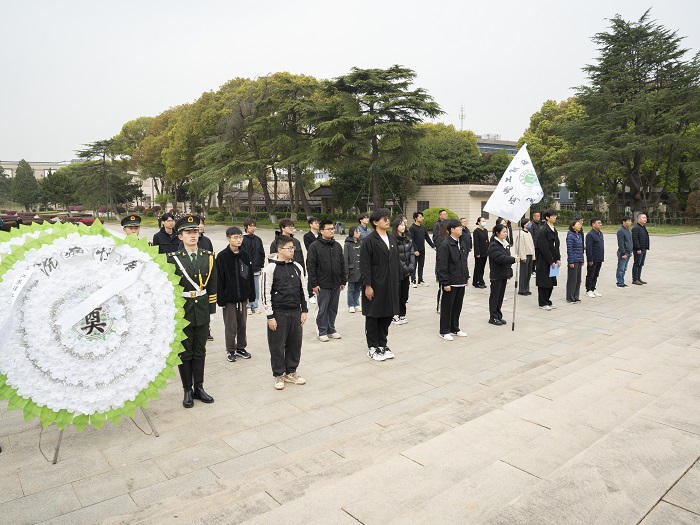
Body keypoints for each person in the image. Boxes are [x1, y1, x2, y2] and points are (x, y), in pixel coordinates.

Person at [168, 215, 217, 408]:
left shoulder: (208, 256)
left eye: (195, 231)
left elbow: (212, 284)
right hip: (183, 309)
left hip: (202, 309)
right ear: (180, 236)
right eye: (188, 232)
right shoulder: (173, 259)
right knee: (185, 352)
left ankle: (200, 387)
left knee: (200, 350)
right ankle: (187, 389)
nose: (193, 235)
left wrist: (211, 309)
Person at [262, 235, 308, 390]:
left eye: (293, 248)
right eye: (289, 248)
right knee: (277, 345)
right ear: (280, 250)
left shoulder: (297, 267)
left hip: (295, 311)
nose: (292, 251)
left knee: (295, 343)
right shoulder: (270, 269)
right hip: (278, 313)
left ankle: (291, 372)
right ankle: (278, 374)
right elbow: (265, 294)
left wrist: (304, 310)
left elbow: (302, 289)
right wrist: (270, 316)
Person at [361, 208, 400, 361]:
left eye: (388, 218)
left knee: (387, 314)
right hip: (376, 284)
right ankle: (372, 347)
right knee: (373, 315)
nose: (388, 220)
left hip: (390, 284)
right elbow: (365, 265)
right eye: (384, 219)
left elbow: (395, 262)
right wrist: (368, 285)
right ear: (375, 222)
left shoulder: (391, 239)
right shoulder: (369, 241)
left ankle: (382, 344)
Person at [216, 226, 255, 363]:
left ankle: (241, 347)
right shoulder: (222, 256)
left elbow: (249, 276)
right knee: (230, 325)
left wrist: (251, 295)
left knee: (242, 324)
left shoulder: (244, 255)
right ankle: (231, 349)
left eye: (240, 237)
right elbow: (219, 279)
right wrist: (221, 299)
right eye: (235, 237)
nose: (239, 240)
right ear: (228, 239)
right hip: (229, 298)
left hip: (243, 297)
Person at [306, 219, 346, 342]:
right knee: (322, 309)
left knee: (333, 308)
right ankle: (322, 331)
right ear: (321, 231)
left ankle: (331, 329)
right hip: (322, 284)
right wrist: (314, 284)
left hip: (336, 283)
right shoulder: (315, 246)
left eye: (332, 229)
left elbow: (342, 263)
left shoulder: (337, 246)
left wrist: (343, 280)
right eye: (329, 229)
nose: (331, 231)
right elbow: (311, 266)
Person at [437, 219, 469, 339]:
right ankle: (444, 331)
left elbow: (464, 261)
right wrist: (445, 282)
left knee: (457, 306)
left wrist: (466, 276)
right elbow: (442, 265)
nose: (461, 229)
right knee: (447, 307)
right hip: (450, 282)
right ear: (452, 230)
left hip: (461, 280)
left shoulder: (461, 243)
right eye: (458, 227)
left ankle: (454, 328)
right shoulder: (445, 245)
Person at [487, 223, 520, 325]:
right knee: (495, 296)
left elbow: (506, 259)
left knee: (500, 297)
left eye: (506, 232)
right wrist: (513, 259)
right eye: (504, 232)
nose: (506, 234)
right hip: (497, 274)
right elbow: (500, 258)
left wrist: (509, 271)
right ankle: (493, 317)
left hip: (503, 274)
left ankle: (498, 315)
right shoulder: (493, 245)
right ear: (497, 233)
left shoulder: (505, 244)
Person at [535, 209, 561, 311]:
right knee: (544, 282)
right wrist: (551, 261)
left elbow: (557, 246)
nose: (554, 218)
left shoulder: (554, 230)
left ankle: (548, 300)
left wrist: (558, 258)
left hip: (553, 260)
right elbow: (544, 248)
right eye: (552, 216)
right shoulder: (543, 231)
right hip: (544, 261)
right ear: (547, 217)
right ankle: (542, 302)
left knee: (551, 282)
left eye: (555, 216)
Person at [392, 218, 415, 325]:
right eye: (401, 225)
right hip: (397, 272)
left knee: (404, 294)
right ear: (396, 227)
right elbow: (395, 256)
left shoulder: (407, 239)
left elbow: (412, 253)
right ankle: (395, 314)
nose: (403, 226)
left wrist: (411, 267)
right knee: (397, 293)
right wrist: (405, 268)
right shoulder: (392, 240)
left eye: (404, 225)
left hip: (407, 271)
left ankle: (402, 314)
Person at [242, 218, 266, 315]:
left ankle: (255, 306)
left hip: (256, 268)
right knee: (247, 287)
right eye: (251, 226)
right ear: (246, 227)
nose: (253, 228)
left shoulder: (258, 239)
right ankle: (248, 306)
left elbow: (262, 253)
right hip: (245, 269)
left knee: (256, 288)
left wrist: (261, 265)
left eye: (254, 226)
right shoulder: (242, 239)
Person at [409, 211, 435, 288]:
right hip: (415, 250)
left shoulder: (423, 227)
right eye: (420, 217)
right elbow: (411, 240)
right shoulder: (412, 228)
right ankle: (413, 281)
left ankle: (420, 280)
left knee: (421, 265)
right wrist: (415, 250)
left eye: (422, 217)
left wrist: (433, 246)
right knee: (414, 265)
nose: (421, 218)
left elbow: (427, 238)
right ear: (415, 218)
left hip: (422, 249)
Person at [513, 217, 535, 296]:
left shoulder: (529, 233)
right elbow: (520, 246)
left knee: (528, 273)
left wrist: (533, 256)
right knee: (523, 273)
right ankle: (522, 289)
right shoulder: (521, 234)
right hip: (525, 256)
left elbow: (532, 245)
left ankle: (526, 288)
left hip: (530, 254)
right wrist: (523, 256)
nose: (529, 224)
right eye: (528, 223)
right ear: (524, 224)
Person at [565, 219, 584, 303]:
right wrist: (571, 261)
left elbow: (581, 249)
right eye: (578, 224)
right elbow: (569, 249)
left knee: (578, 279)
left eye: (580, 224)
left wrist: (582, 259)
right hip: (574, 260)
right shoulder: (570, 236)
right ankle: (570, 297)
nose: (580, 226)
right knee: (572, 279)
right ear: (573, 226)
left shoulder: (579, 235)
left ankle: (576, 296)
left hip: (579, 259)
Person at [344, 226, 362, 313]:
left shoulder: (360, 243)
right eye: (357, 231)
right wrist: (346, 272)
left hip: (360, 270)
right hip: (351, 270)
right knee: (351, 289)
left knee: (358, 288)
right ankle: (351, 305)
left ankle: (356, 304)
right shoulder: (347, 244)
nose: (359, 233)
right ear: (352, 232)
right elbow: (345, 258)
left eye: (359, 231)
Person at [585, 217, 604, 298]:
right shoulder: (590, 235)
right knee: (590, 275)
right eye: (598, 223)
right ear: (593, 224)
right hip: (593, 258)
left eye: (601, 223)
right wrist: (590, 259)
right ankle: (588, 290)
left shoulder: (600, 233)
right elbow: (588, 248)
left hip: (599, 258)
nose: (600, 224)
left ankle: (593, 288)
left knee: (596, 275)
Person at [433, 220, 449, 313]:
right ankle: (439, 307)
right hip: (442, 266)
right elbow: (441, 254)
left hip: (450, 269)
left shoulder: (449, 238)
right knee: (442, 288)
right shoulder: (440, 238)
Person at [303, 217, 321, 303]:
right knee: (311, 276)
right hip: (312, 258)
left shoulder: (321, 234)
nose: (317, 224)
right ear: (310, 224)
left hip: (322, 259)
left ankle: (319, 292)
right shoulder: (307, 236)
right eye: (315, 223)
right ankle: (311, 294)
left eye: (318, 223)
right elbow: (309, 247)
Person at [632, 213, 650, 285]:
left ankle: (638, 278)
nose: (645, 219)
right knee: (637, 264)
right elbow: (635, 239)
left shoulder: (643, 227)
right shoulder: (636, 228)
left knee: (641, 264)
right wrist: (638, 248)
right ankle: (635, 279)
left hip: (644, 249)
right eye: (643, 218)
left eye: (645, 218)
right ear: (638, 219)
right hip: (638, 250)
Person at [616, 216, 633, 288]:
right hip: (623, 252)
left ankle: (622, 281)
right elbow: (621, 243)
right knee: (621, 268)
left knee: (624, 268)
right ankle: (619, 282)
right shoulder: (621, 231)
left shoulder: (628, 230)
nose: (630, 222)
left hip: (628, 252)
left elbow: (629, 241)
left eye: (630, 221)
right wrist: (623, 253)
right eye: (628, 221)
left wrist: (630, 251)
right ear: (624, 222)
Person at [472, 217, 489, 289]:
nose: (484, 222)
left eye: (485, 221)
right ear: (478, 222)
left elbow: (487, 241)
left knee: (482, 268)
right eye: (482, 221)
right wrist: (477, 253)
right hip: (479, 252)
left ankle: (481, 280)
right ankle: (476, 282)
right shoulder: (476, 231)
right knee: (478, 268)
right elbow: (476, 243)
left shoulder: (485, 230)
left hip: (485, 252)